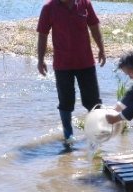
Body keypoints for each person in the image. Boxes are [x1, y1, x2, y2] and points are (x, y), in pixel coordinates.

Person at [37, 0, 106, 147]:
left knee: (93, 102)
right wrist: (40, 59)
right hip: (63, 65)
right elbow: (42, 34)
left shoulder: (85, 4)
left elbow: (94, 26)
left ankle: (97, 137)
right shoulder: (49, 7)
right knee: (66, 102)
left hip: (86, 62)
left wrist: (101, 48)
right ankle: (68, 137)